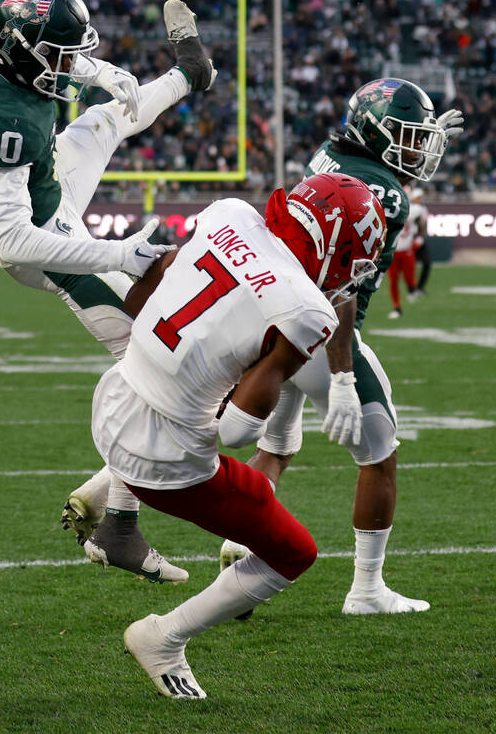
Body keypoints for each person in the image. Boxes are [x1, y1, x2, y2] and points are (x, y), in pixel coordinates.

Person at [0, 0, 216, 581]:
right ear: (21, 52)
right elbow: (13, 237)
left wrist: (102, 73)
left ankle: (189, 73)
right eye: (62, 58)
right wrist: (117, 255)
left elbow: (49, 59)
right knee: (161, 364)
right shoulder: (4, 123)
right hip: (36, 239)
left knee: (105, 119)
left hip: (46, 184)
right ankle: (119, 526)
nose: (71, 66)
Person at [95, 174, 388, 699]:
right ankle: (162, 637)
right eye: (351, 258)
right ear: (328, 245)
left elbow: (142, 299)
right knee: (293, 551)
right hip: (163, 460)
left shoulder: (230, 212)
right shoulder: (306, 310)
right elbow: (234, 433)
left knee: (249, 489)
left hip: (112, 399)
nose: (350, 276)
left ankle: (106, 495)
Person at [221, 78, 463, 616]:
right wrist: (344, 377)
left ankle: (240, 543)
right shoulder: (390, 196)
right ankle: (367, 589)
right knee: (380, 450)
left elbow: (371, 172)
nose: (416, 148)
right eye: (407, 137)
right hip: (323, 326)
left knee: (277, 447)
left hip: (274, 311)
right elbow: (345, 285)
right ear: (377, 134)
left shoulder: (327, 153)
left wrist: (416, 141)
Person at [386, 200, 424, 318]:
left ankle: (412, 289)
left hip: (407, 250)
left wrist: (420, 237)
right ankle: (397, 307)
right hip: (393, 251)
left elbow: (421, 222)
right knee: (393, 280)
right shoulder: (390, 209)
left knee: (409, 278)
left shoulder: (414, 210)